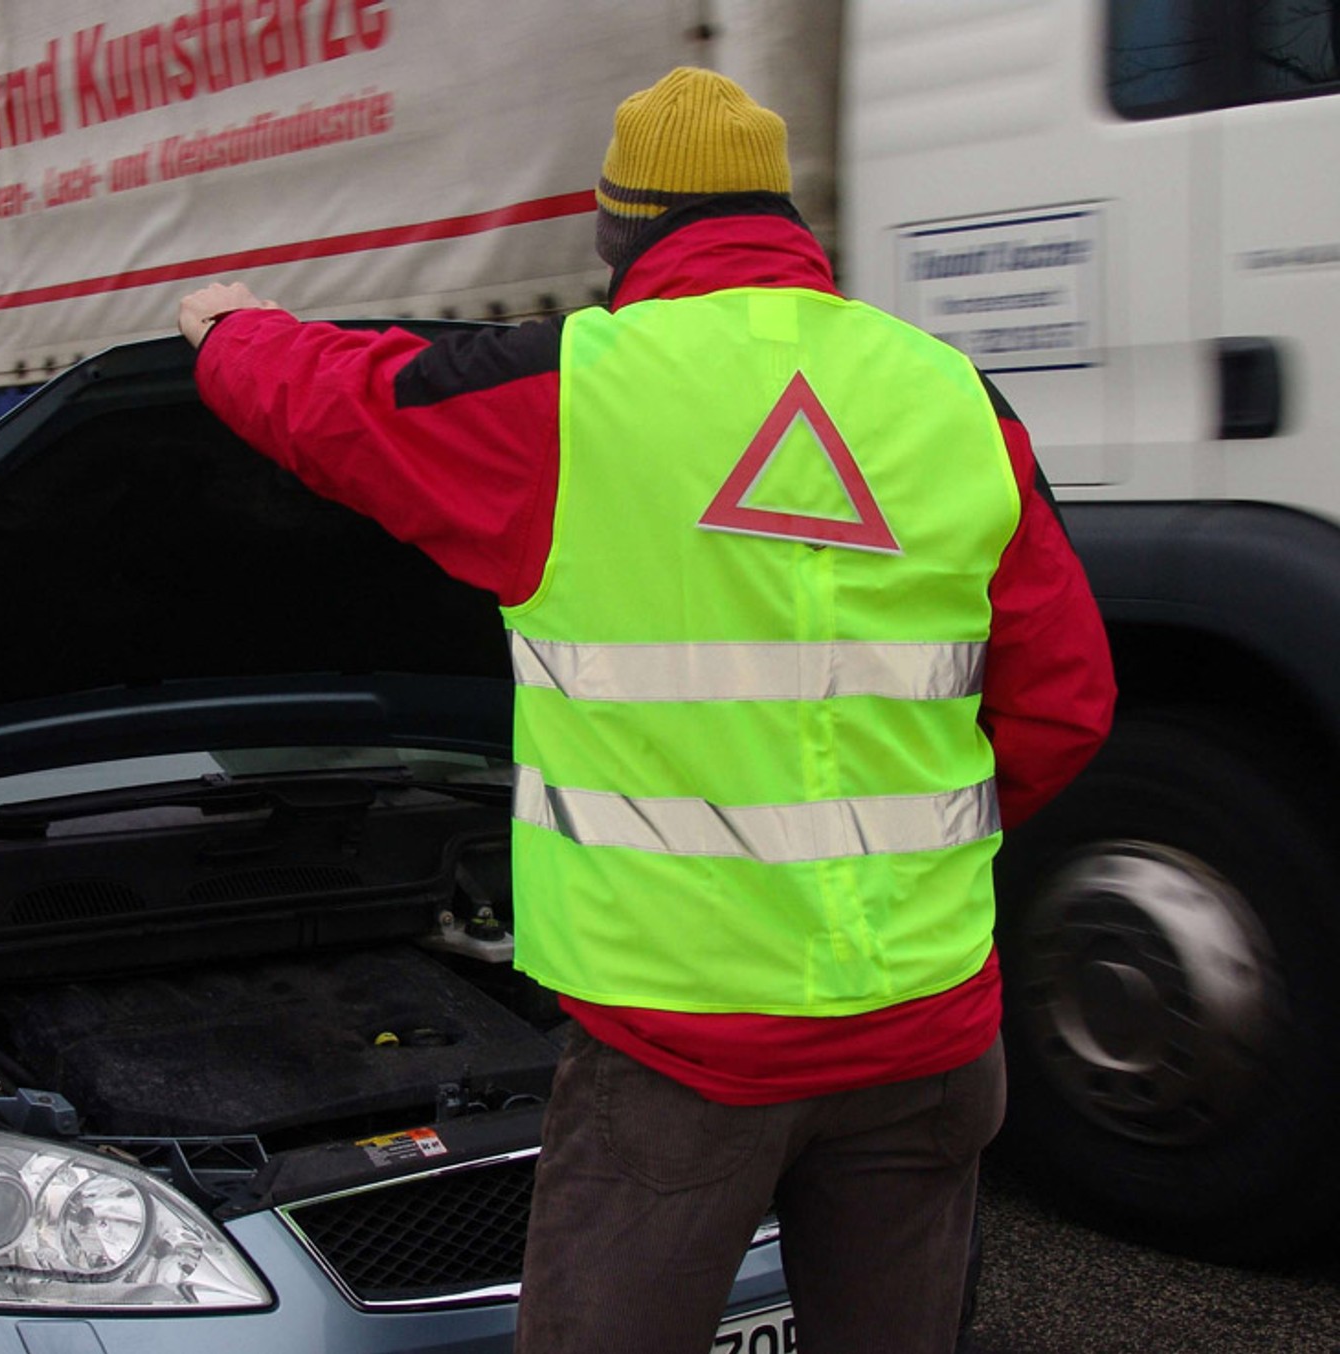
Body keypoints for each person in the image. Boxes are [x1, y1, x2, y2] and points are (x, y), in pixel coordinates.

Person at [178, 67, 1113, 1354]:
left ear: (619, 228)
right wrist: (903, 860)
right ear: (782, 219)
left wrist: (226, 326)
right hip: (929, 1032)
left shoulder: (572, 396)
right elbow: (1064, 704)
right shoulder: (951, 393)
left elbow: (338, 403)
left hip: (680, 1055)